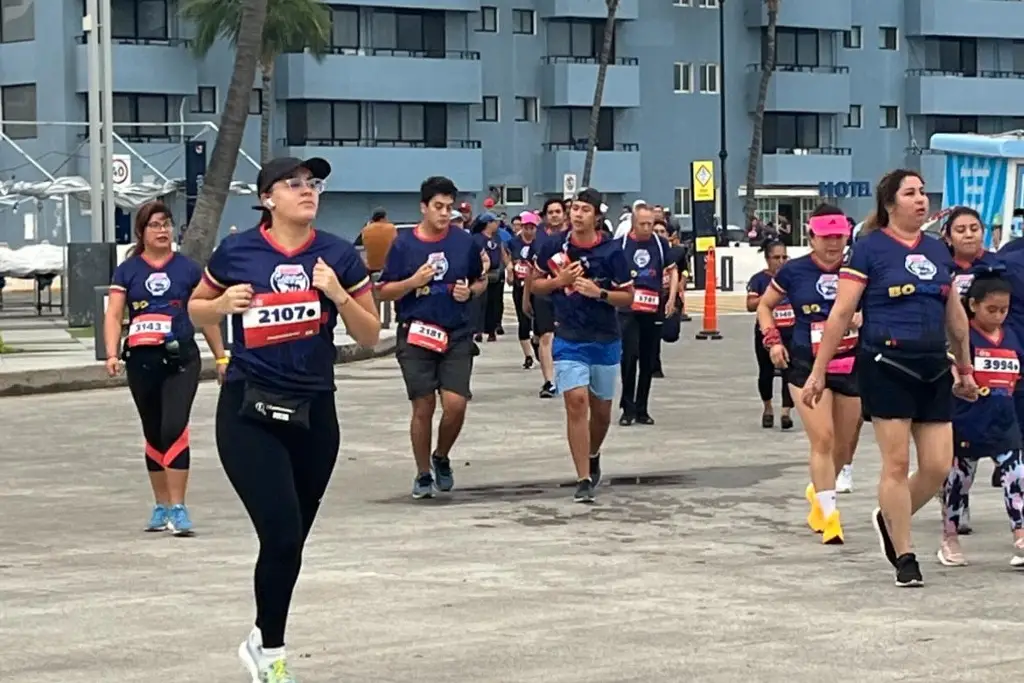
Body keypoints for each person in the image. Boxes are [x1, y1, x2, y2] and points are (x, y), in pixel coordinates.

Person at [187, 156, 381, 682]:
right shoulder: (238, 251)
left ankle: (259, 636)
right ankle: (271, 656)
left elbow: (369, 335)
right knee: (280, 531)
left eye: (313, 183)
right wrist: (222, 303)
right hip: (250, 408)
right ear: (267, 198)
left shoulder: (338, 254)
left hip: (315, 409)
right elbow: (195, 309)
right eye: (292, 184)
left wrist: (337, 294)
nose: (307, 191)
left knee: (290, 543)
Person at [806, 169, 978, 587]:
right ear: (890, 204)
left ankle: (889, 516)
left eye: (923, 193)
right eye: (910, 193)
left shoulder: (939, 251)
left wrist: (966, 367)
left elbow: (954, 315)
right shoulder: (869, 249)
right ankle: (905, 554)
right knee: (897, 463)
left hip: (933, 365)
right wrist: (817, 371)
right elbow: (842, 313)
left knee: (938, 465)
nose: (921, 200)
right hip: (886, 364)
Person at [104, 200, 227, 536]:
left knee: (174, 427)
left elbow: (205, 315)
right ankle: (160, 506)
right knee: (153, 431)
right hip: (141, 360)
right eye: (155, 225)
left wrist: (221, 357)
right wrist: (112, 354)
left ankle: (179, 507)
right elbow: (114, 314)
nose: (162, 231)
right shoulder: (128, 271)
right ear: (141, 232)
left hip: (180, 360)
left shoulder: (187, 269)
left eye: (167, 224)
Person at [757, 207, 863, 546]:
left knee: (844, 448)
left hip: (849, 363)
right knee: (823, 438)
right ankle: (830, 517)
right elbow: (764, 306)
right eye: (825, 237)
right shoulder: (794, 271)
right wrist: (772, 340)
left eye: (839, 237)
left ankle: (819, 489)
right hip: (804, 362)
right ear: (811, 237)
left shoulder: (859, 268)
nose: (833, 244)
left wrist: (863, 316)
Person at [377, 176, 486, 499]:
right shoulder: (403, 244)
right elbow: (382, 291)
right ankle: (423, 472)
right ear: (423, 207)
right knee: (422, 405)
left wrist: (470, 291)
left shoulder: (464, 242)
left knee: (455, 404)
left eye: (449, 208)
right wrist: (413, 281)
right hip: (417, 334)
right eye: (438, 207)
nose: (444, 213)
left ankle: (441, 456)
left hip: (456, 333)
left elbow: (480, 281)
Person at [532, 188, 633, 502]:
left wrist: (598, 293)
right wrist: (557, 283)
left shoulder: (612, 251)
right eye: (573, 208)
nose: (576, 214)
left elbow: (629, 297)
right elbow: (535, 285)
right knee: (576, 402)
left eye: (584, 210)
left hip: (604, 338)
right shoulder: (552, 245)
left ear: (597, 217)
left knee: (601, 413)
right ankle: (583, 478)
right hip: (569, 337)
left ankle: (593, 453)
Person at [938, 267, 1024, 567]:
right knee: (959, 482)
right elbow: (950, 366)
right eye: (992, 309)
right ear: (973, 306)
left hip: (1004, 420)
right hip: (967, 420)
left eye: (1004, 309)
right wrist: (959, 383)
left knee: (1016, 475)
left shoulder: (1012, 335)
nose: (999, 315)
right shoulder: (963, 336)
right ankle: (949, 536)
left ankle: (1020, 533)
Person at [618, 204, 675, 426]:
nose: (646, 228)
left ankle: (642, 408)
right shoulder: (622, 244)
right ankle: (627, 406)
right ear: (633, 223)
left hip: (652, 307)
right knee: (629, 357)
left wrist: (670, 298)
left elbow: (671, 270)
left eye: (650, 224)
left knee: (648, 359)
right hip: (628, 309)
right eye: (642, 224)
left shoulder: (660, 244)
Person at [746, 239, 794, 431]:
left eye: (784, 257)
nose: (781, 261)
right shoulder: (759, 279)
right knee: (765, 372)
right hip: (766, 332)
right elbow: (749, 305)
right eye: (776, 257)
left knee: (789, 372)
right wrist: (769, 296)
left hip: (790, 330)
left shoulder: (794, 277)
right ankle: (767, 408)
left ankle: (785, 412)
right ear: (767, 259)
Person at [524, 198, 570, 398]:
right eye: (550, 212)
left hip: (568, 295)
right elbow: (530, 272)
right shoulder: (539, 241)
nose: (554, 215)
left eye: (557, 211)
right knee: (546, 336)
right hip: (544, 294)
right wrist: (527, 297)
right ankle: (549, 381)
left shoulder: (572, 238)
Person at [507, 211, 541, 369]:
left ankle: (536, 341)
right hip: (519, 285)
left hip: (537, 285)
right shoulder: (514, 242)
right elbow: (506, 253)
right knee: (523, 319)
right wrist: (509, 267)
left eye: (532, 228)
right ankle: (528, 355)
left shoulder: (540, 243)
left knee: (539, 319)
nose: (529, 231)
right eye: (526, 227)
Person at [472, 211, 507, 342]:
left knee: (495, 302)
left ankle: (492, 330)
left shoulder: (497, 238)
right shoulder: (476, 238)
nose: (497, 224)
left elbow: (502, 252)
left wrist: (507, 266)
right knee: (481, 303)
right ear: (488, 223)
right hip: (482, 274)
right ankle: (478, 330)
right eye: (494, 222)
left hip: (496, 273)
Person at [360, 208, 397, 277]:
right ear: (383, 218)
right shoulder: (391, 228)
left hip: (371, 268)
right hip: (387, 267)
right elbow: (396, 243)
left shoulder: (365, 230)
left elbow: (365, 244)